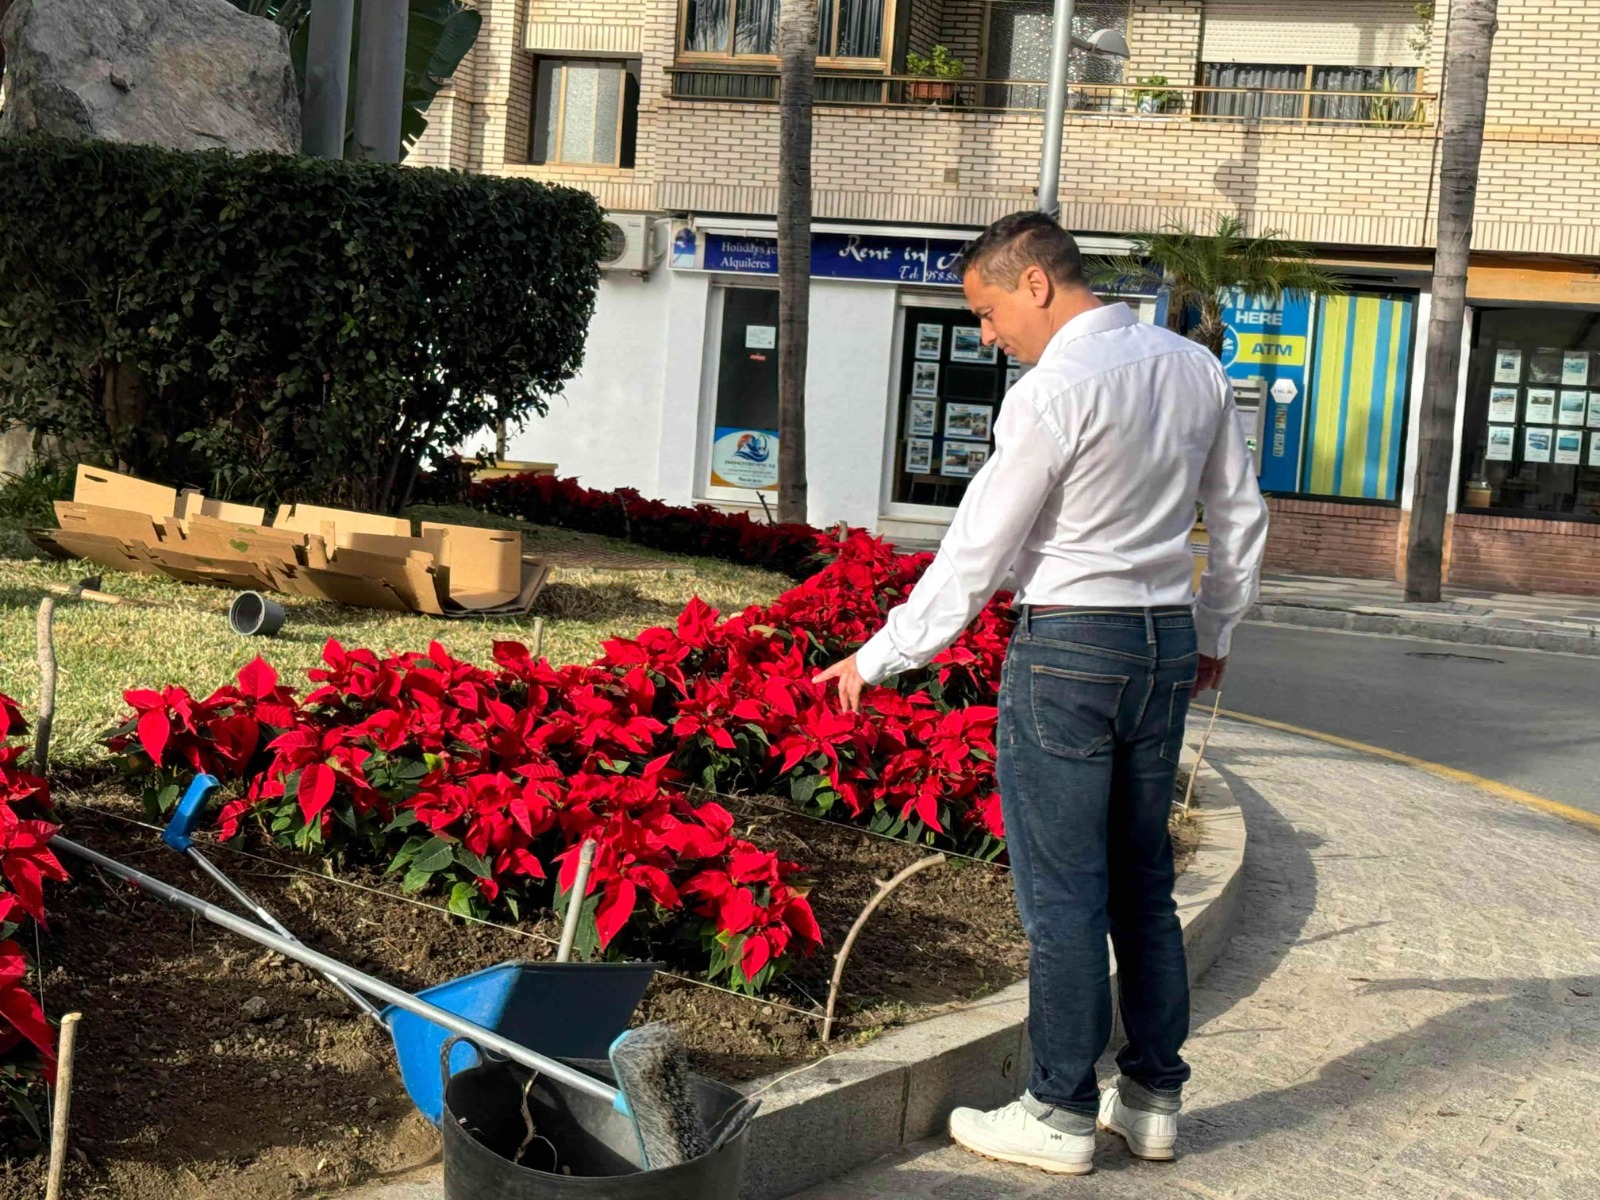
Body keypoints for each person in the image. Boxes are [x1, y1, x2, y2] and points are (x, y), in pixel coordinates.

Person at [813, 211, 1269, 1175]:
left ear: (1035, 283)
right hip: (1163, 642)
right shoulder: (1195, 369)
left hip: (1071, 647)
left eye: (986, 312)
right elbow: (1238, 515)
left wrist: (879, 656)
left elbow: (977, 550)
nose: (986, 335)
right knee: (1143, 885)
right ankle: (1152, 1098)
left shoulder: (1053, 391)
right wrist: (1215, 630)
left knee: (1064, 895)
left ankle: (1059, 1110)